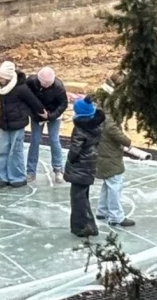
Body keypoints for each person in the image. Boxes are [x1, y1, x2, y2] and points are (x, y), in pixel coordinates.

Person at [0, 61, 46, 188]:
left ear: (9, 78)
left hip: (18, 123)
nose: (0, 80)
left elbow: (32, 101)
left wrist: (42, 112)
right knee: (2, 151)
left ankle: (17, 177)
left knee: (15, 151)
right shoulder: (0, 88)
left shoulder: (20, 88)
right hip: (4, 123)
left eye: (3, 78)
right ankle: (3, 177)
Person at [64, 96, 104, 237]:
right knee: (83, 197)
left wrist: (70, 160)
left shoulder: (80, 128)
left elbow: (75, 149)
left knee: (78, 198)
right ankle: (91, 226)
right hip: (90, 164)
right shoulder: (96, 124)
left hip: (80, 167)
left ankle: (81, 227)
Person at [95, 102, 136, 228]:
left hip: (103, 156)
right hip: (110, 158)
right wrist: (127, 142)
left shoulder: (98, 115)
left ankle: (102, 210)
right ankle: (116, 216)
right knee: (115, 186)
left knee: (108, 184)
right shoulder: (109, 118)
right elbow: (114, 132)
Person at [28, 66, 70, 185]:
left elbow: (63, 104)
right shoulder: (31, 82)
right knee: (35, 140)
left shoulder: (58, 86)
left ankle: (58, 169)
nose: (46, 86)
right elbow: (25, 99)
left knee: (54, 139)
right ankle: (30, 171)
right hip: (37, 115)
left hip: (54, 115)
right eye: (44, 83)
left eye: (48, 84)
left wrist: (50, 116)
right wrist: (36, 114)